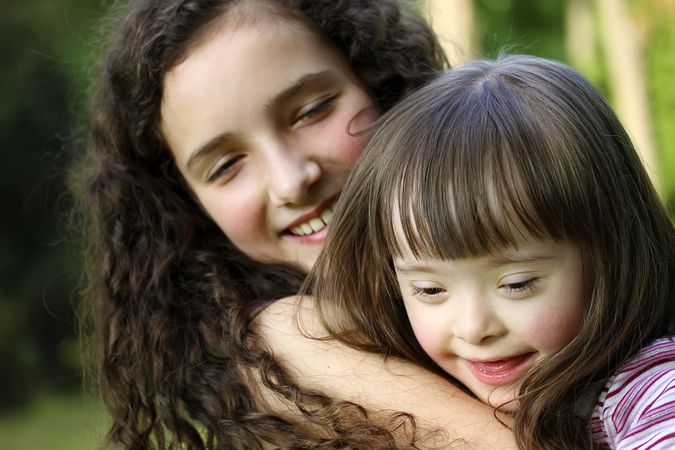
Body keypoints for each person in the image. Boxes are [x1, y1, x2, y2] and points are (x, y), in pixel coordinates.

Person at [70, 0, 516, 448]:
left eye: (313, 111)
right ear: (189, 208)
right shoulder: (288, 340)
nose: (291, 181)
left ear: (379, 81)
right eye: (226, 166)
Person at [305, 55, 675, 449]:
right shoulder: (432, 384)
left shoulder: (652, 391)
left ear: (613, 254)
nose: (473, 328)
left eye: (516, 284)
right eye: (430, 290)